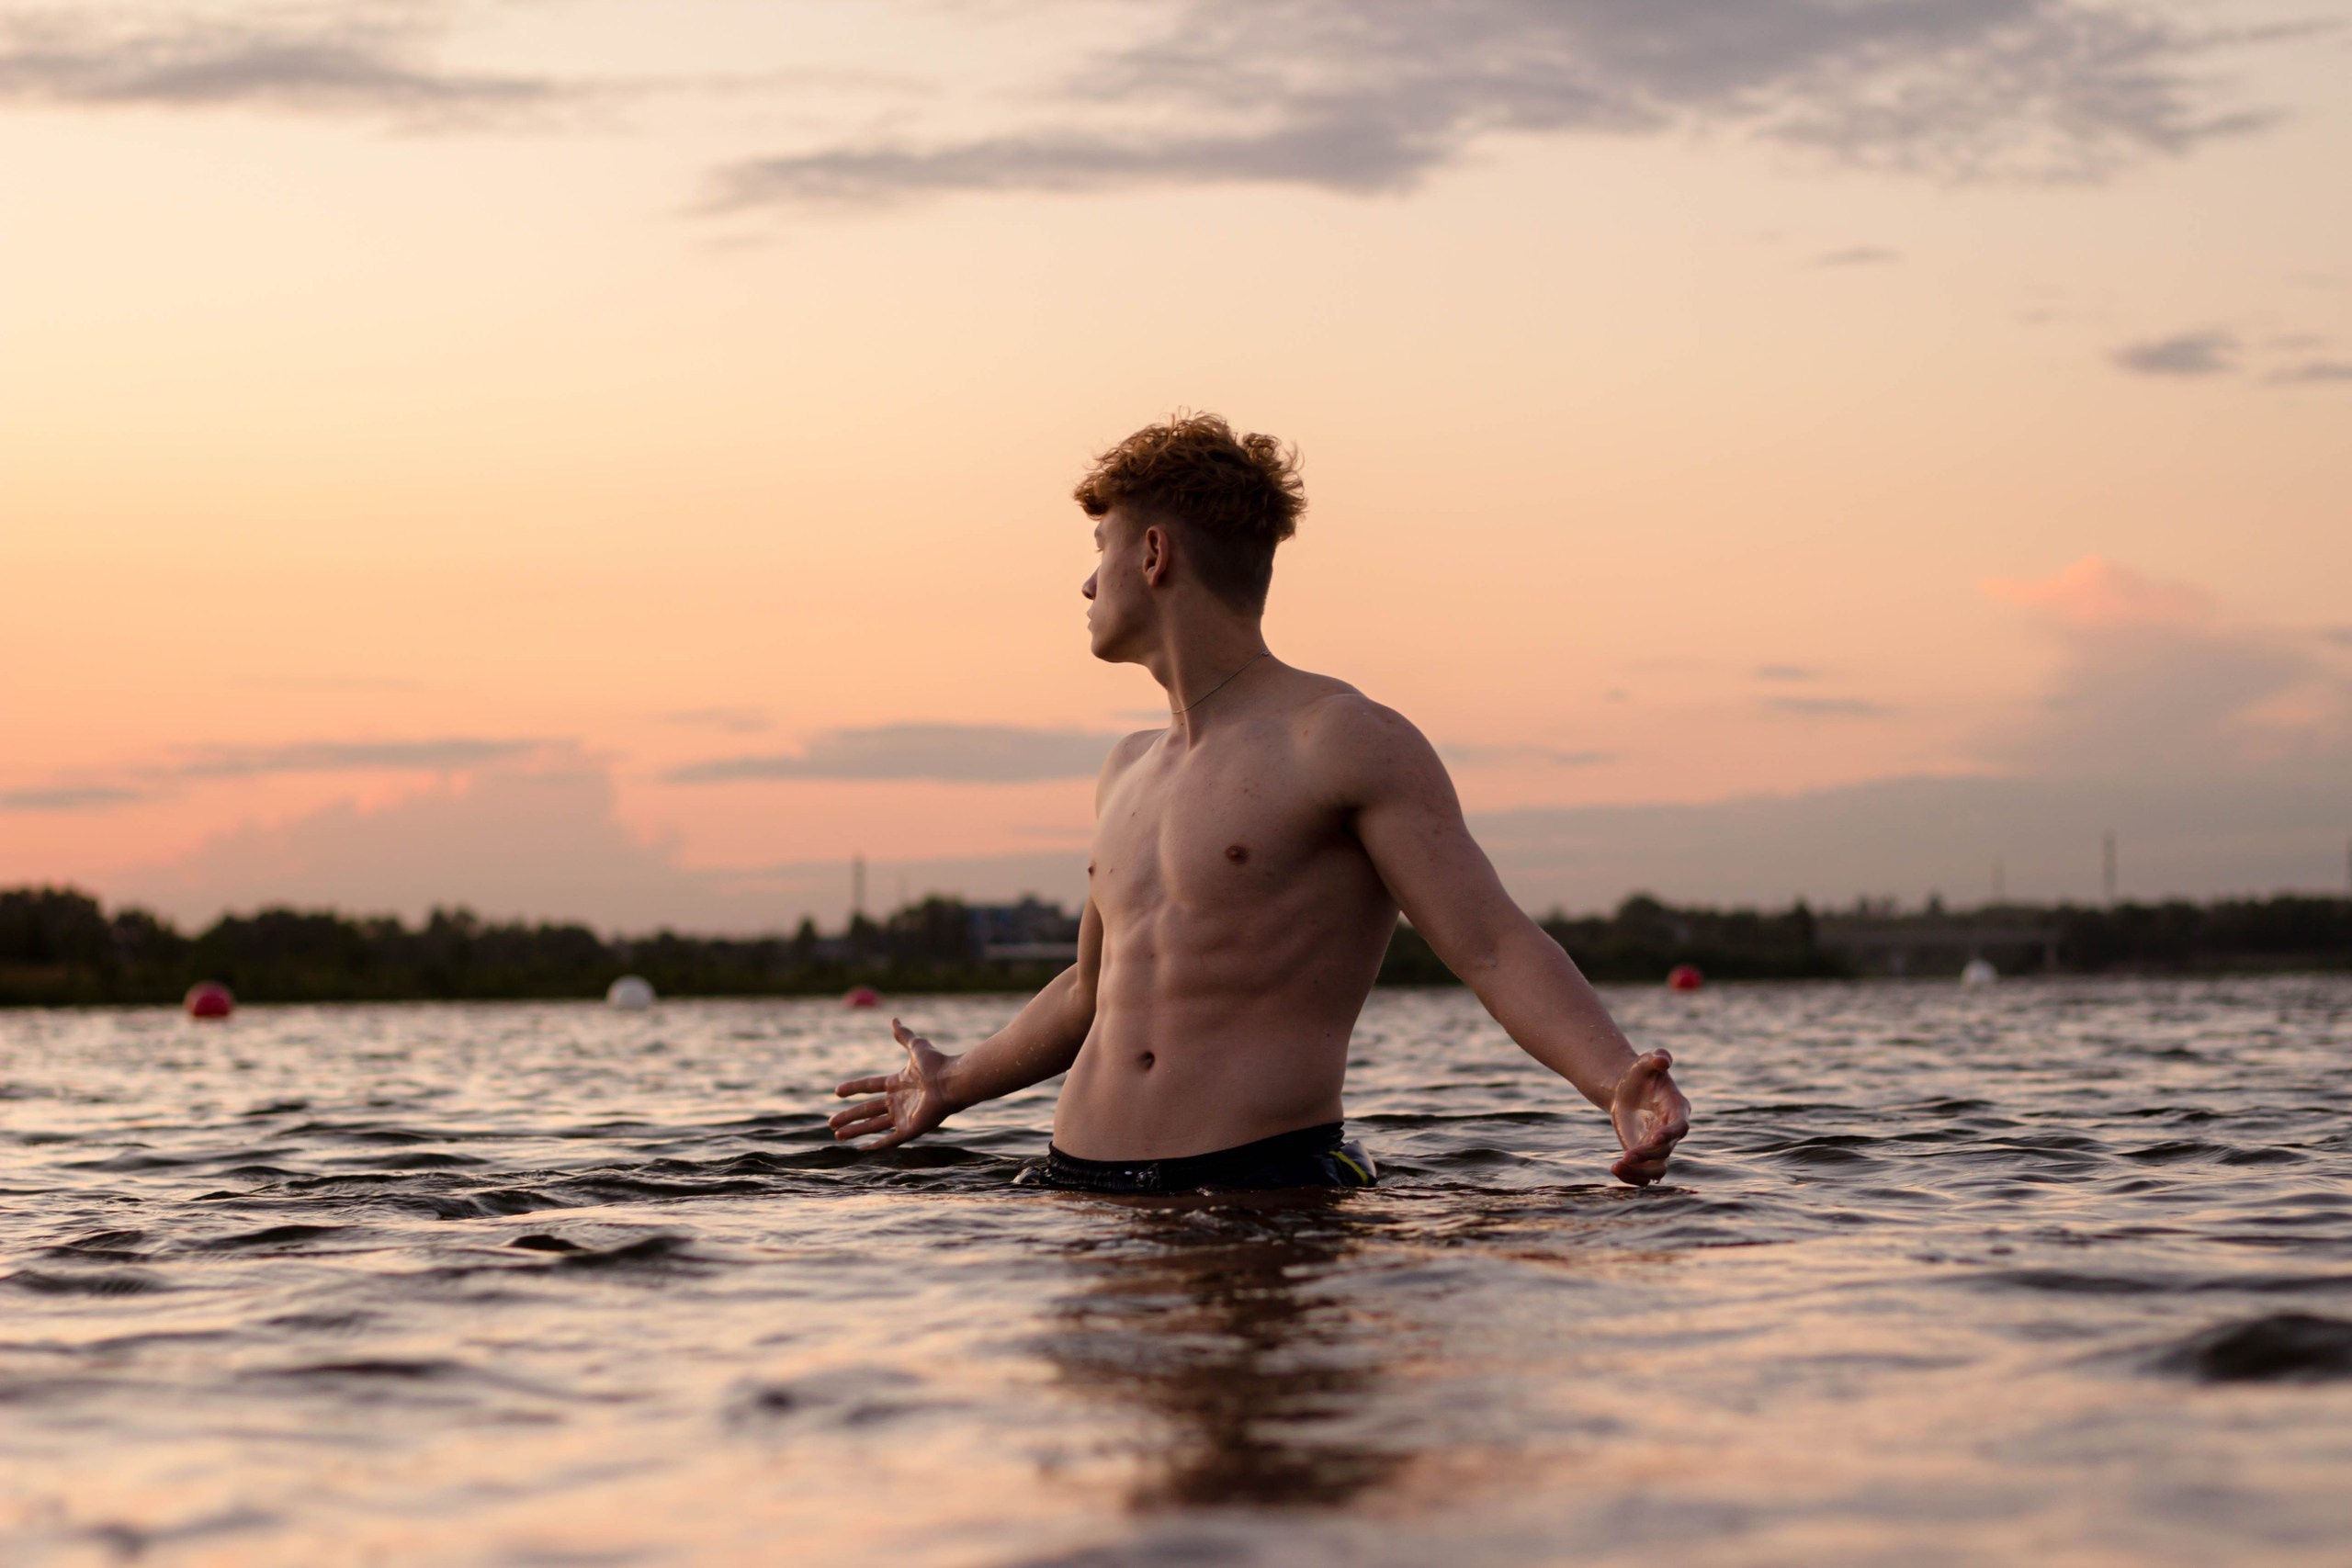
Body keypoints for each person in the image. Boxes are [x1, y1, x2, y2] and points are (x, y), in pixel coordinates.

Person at [830, 413, 1690, 1193]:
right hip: (1081, 1198)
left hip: (1260, 1189)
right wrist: (954, 1080)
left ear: (1154, 554)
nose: (1087, 584)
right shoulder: (1125, 769)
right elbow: (1093, 989)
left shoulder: (1340, 737)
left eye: (1100, 548)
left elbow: (1493, 946)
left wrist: (1616, 1079)